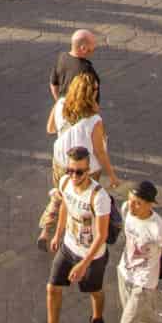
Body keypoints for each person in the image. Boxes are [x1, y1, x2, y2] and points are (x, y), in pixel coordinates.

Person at [27, 144, 110, 323]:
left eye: (78, 171)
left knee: (94, 291)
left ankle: (98, 321)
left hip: (92, 256)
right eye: (70, 170)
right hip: (68, 247)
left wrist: (83, 264)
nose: (73, 175)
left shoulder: (99, 197)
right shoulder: (65, 182)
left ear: (88, 171)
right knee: (52, 287)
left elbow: (101, 235)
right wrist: (58, 234)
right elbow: (65, 205)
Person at [37, 73, 118, 247]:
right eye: (96, 89)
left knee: (59, 195)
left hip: (61, 161)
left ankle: (46, 230)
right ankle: (77, 235)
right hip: (86, 166)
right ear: (91, 93)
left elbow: (50, 129)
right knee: (81, 199)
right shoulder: (94, 120)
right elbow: (99, 151)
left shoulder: (60, 104)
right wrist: (112, 175)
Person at [115, 180, 162, 323]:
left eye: (138, 203)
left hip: (144, 282)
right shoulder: (126, 210)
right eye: (130, 201)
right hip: (125, 272)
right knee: (136, 313)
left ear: (150, 205)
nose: (132, 207)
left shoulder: (158, 229)